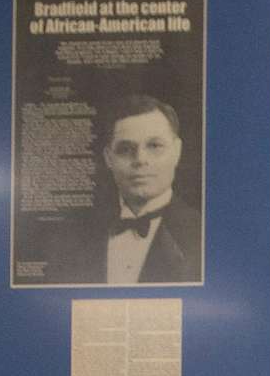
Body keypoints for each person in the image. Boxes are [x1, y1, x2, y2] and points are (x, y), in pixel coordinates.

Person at [51, 92, 204, 285]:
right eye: (125, 149)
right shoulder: (73, 236)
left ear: (177, 151)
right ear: (108, 158)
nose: (140, 160)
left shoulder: (202, 233)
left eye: (154, 146)